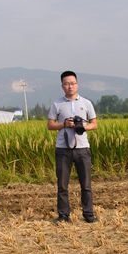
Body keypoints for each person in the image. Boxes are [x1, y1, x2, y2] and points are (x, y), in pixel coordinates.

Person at [46, 70, 98, 224]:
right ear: (62, 86)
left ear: (77, 84)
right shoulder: (57, 104)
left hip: (83, 149)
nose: (70, 86)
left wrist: (82, 126)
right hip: (63, 149)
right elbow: (50, 125)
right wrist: (64, 124)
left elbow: (95, 124)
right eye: (67, 84)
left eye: (73, 83)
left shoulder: (86, 103)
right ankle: (63, 215)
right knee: (62, 184)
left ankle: (88, 215)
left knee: (86, 184)